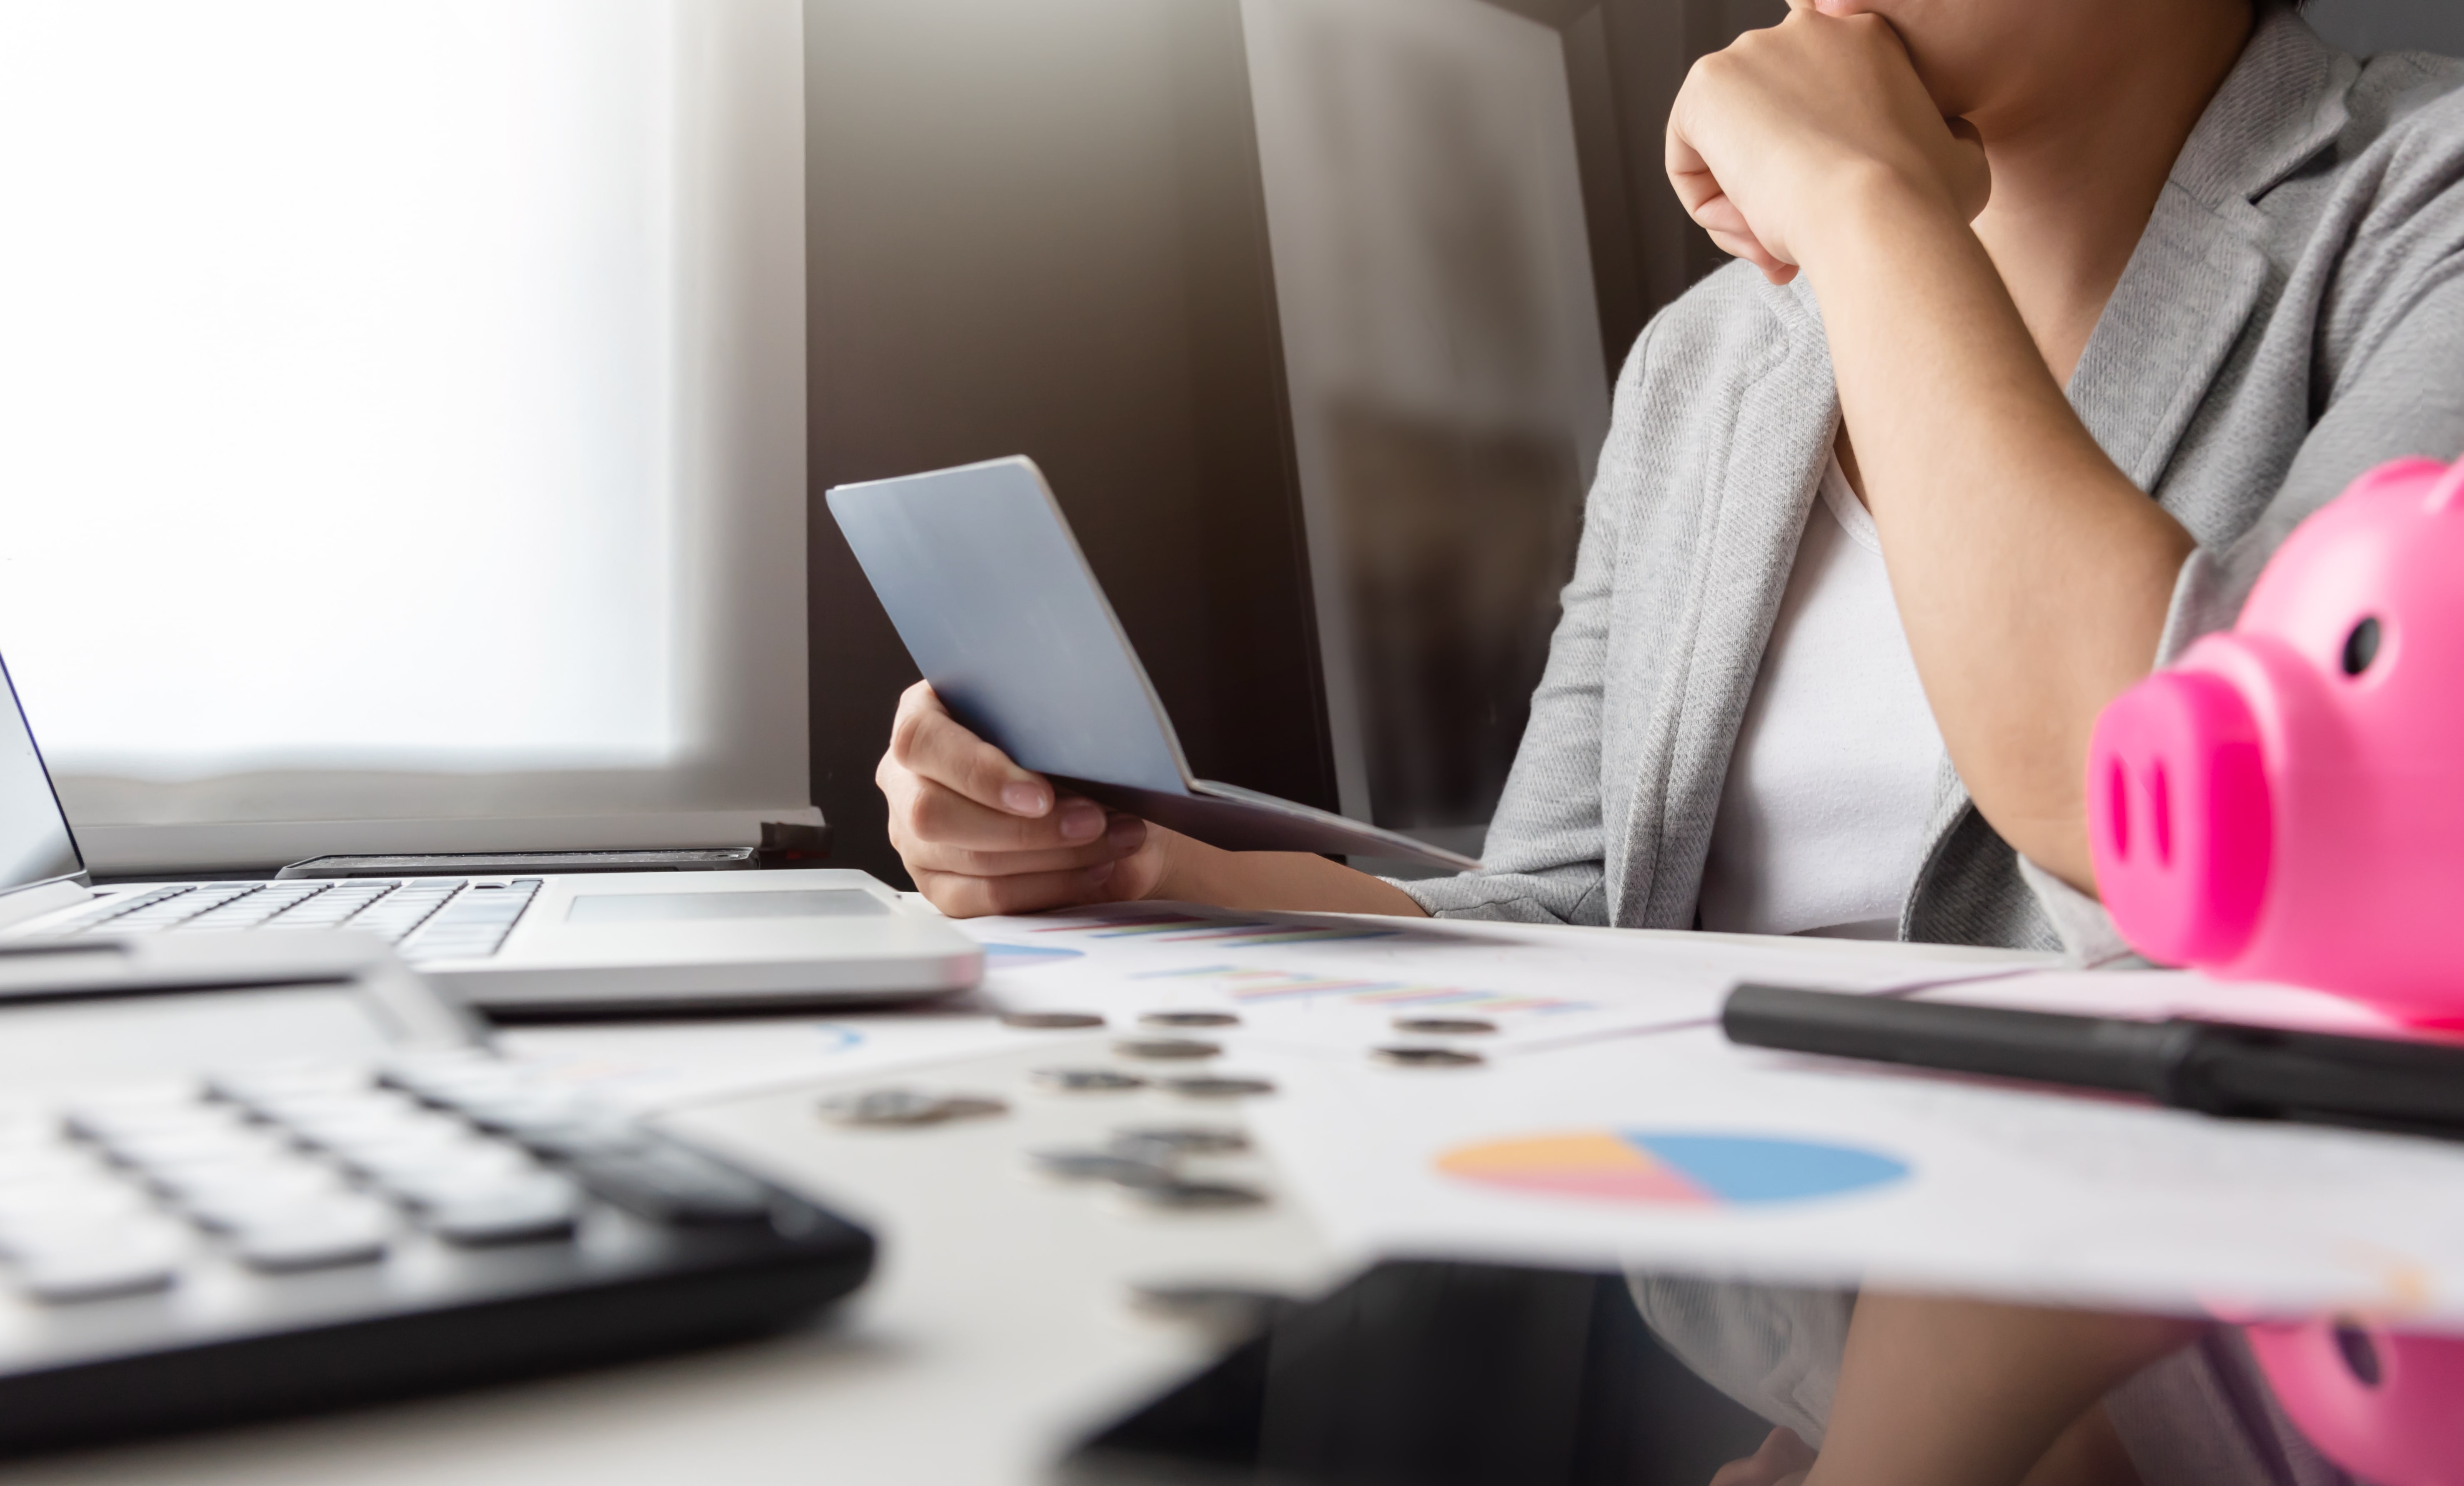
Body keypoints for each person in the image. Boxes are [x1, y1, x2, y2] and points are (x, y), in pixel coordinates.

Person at [881, 0, 2462, 1479]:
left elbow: (2220, 836)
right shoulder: (1709, 362)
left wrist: (1865, 208)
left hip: (2243, 1352)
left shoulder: (2419, 211)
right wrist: (1158, 877)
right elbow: (1570, 910)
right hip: (1769, 1337)